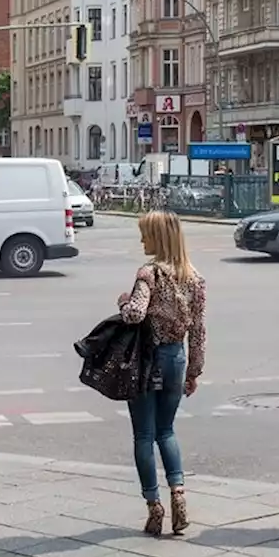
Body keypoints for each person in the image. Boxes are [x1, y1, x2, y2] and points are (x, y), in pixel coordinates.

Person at [117, 210, 207, 536]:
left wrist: (124, 302)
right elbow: (198, 330)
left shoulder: (149, 273)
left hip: (146, 361)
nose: (142, 240)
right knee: (166, 431)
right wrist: (194, 371)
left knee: (144, 435)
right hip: (176, 359)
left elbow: (136, 313)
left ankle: (154, 506)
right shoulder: (194, 277)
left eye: (145, 234)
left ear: (158, 238)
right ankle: (179, 495)